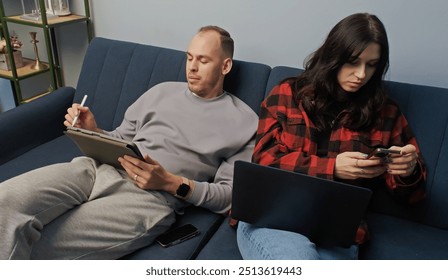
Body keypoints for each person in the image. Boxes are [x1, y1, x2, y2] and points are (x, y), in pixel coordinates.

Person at [0, 26, 258, 259]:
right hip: (94, 170)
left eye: (203, 60)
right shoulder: (161, 91)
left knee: (37, 245)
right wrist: (93, 131)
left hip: (150, 199)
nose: (191, 67)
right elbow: (121, 139)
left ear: (225, 66)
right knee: (5, 201)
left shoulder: (244, 122)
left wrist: (170, 182)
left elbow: (229, 197)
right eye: (189, 58)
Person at [236, 13, 426, 260]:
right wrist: (332, 167)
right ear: (334, 56)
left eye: (371, 65)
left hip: (338, 232)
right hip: (272, 219)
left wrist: (408, 171)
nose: (361, 74)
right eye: (353, 62)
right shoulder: (287, 93)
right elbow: (263, 160)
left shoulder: (385, 112)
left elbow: (413, 196)